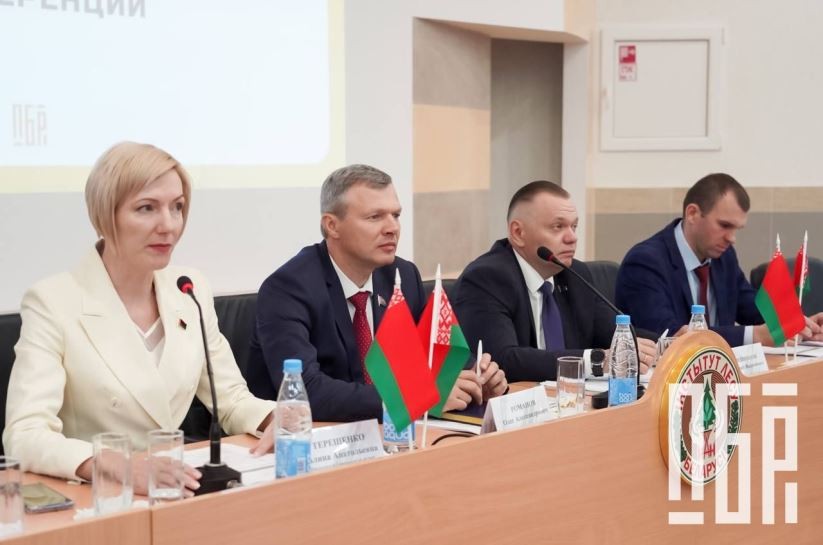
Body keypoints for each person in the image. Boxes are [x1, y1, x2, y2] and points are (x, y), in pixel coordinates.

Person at [3, 142, 276, 495]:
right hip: (100, 499)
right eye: (146, 208)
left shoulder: (189, 289)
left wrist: (277, 418)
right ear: (105, 215)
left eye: (177, 207)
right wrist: (120, 466)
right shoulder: (53, 301)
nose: (169, 225)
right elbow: (25, 434)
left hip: (178, 489)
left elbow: (232, 399)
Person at [247, 164, 507, 422]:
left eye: (396, 215)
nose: (392, 228)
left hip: (390, 433)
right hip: (309, 437)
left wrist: (477, 379)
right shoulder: (288, 289)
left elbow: (440, 355)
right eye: (375, 217)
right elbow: (306, 391)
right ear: (332, 226)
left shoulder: (402, 276)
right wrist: (413, 398)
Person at [452, 181, 657, 383]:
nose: (572, 238)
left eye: (574, 226)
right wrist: (596, 361)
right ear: (518, 233)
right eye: (557, 227)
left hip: (570, 398)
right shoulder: (487, 278)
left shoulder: (574, 274)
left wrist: (666, 344)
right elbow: (503, 360)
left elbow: (615, 334)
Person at [615, 173, 823, 347]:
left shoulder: (724, 256)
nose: (732, 238)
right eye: (724, 225)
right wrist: (755, 336)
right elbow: (668, 335)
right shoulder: (645, 262)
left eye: (737, 229)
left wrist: (798, 323)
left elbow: (752, 307)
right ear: (692, 214)